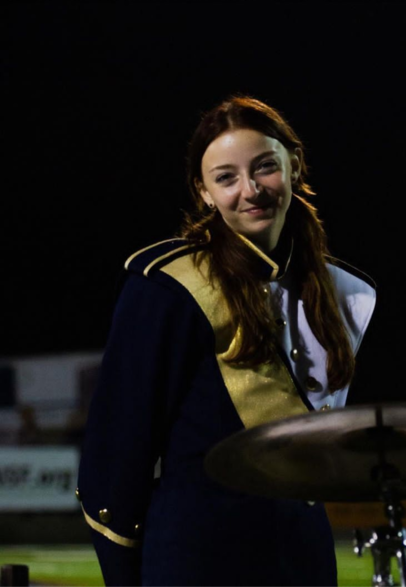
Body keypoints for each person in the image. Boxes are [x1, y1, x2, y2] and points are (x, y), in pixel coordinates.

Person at [76, 95, 377, 586]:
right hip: (196, 558)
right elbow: (117, 452)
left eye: (265, 168)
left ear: (295, 166)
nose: (250, 190)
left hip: (304, 554)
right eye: (226, 177)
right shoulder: (166, 287)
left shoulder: (345, 291)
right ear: (203, 192)